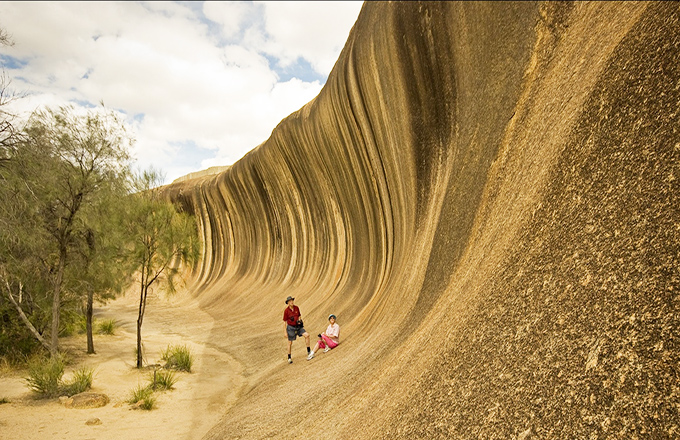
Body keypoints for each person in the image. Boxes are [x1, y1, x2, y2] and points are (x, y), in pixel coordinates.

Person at [283, 296, 310, 363]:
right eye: (290, 301)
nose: (291, 302)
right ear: (288, 303)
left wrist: (299, 320)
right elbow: (284, 322)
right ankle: (289, 357)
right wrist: (285, 332)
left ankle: (309, 352)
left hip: (298, 326)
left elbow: (299, 315)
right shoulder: (286, 311)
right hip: (291, 328)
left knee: (307, 335)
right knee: (290, 342)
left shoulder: (296, 308)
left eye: (292, 300)